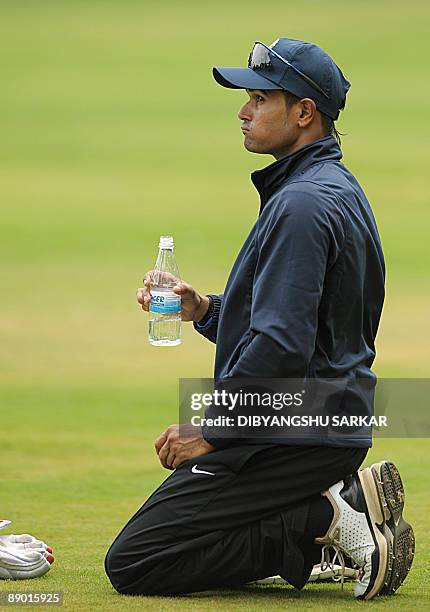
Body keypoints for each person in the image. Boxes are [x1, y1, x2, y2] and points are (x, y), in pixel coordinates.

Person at [105, 37, 414, 600]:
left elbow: (280, 346)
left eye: (261, 98)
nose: (244, 112)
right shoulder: (329, 188)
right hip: (322, 420)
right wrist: (203, 309)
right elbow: (305, 325)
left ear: (303, 112)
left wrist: (215, 433)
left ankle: (320, 522)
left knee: (138, 560)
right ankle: (327, 509)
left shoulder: (301, 205)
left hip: (296, 431)